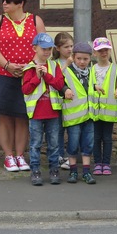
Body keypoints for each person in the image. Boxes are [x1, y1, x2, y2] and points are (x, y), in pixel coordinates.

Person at [0, 0, 46, 172]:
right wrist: (7, 65)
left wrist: (30, 67)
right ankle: (8, 156)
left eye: (8, 1)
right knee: (5, 116)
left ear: (20, 4)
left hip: (27, 76)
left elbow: (43, 46)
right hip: (2, 74)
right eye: (3, 0)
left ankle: (20, 155)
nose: (4, 4)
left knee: (22, 116)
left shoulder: (36, 21)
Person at [21, 32, 65, 186]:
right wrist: (36, 77)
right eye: (44, 49)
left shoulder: (54, 65)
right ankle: (36, 171)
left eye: (49, 49)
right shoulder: (29, 68)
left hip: (52, 112)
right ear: (35, 48)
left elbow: (60, 85)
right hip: (36, 113)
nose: (47, 52)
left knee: (54, 144)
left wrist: (46, 76)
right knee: (35, 144)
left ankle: (54, 170)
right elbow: (26, 89)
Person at [62, 42, 96, 185]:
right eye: (79, 59)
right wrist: (65, 90)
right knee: (73, 144)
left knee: (88, 144)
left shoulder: (91, 71)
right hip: (74, 116)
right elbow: (57, 80)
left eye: (85, 59)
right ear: (73, 58)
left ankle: (86, 172)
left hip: (89, 115)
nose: (82, 62)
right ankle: (73, 171)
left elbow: (90, 87)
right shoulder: (68, 71)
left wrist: (97, 87)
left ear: (90, 59)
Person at [90, 37, 117, 176]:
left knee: (107, 138)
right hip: (95, 110)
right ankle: (98, 163)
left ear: (109, 51)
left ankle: (106, 163)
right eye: (100, 50)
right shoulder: (92, 69)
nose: (103, 53)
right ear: (95, 53)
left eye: (106, 50)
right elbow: (88, 86)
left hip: (108, 111)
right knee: (96, 137)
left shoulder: (116, 68)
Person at [52, 32, 74, 170]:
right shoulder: (54, 63)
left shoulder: (75, 60)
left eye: (71, 46)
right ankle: (59, 156)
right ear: (58, 48)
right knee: (58, 130)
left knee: (72, 130)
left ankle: (70, 155)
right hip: (58, 102)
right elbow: (55, 78)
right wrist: (66, 64)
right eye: (66, 46)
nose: (70, 49)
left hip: (72, 102)